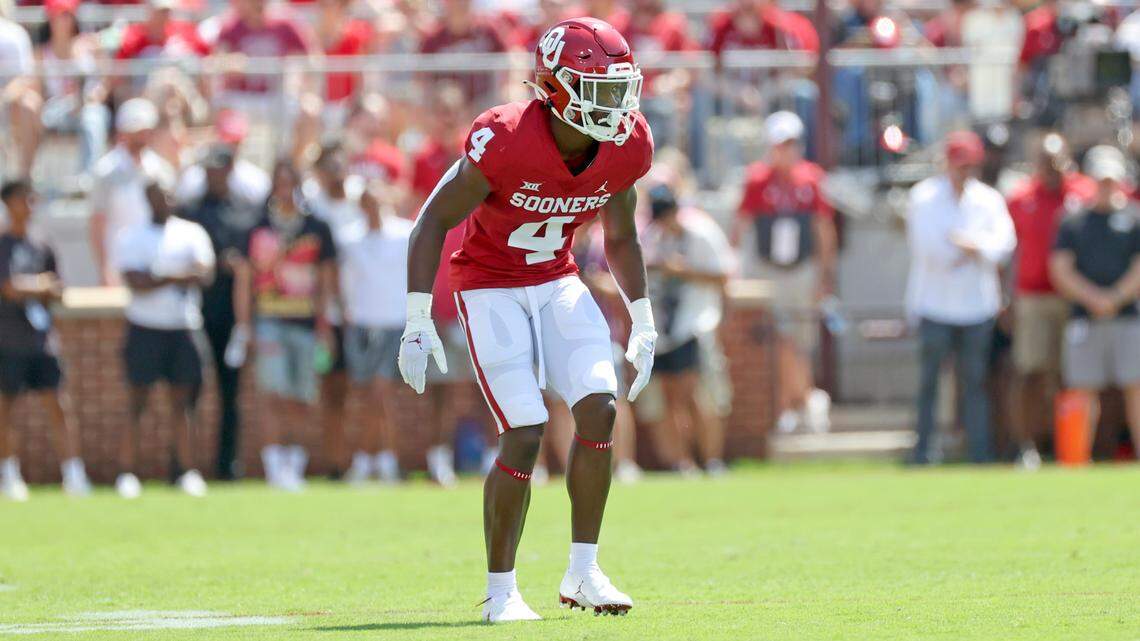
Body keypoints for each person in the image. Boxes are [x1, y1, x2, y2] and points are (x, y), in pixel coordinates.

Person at [399, 18, 657, 622]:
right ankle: (500, 590)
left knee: (600, 407)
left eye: (620, 88)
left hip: (555, 278)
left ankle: (584, 571)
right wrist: (416, 318)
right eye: (599, 88)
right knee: (525, 426)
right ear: (556, 87)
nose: (615, 103)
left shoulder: (626, 142)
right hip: (489, 284)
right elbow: (431, 222)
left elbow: (620, 236)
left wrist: (642, 317)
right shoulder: (507, 136)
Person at [906, 131, 1016, 464]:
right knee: (929, 385)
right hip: (933, 305)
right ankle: (923, 453)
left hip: (976, 307)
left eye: (970, 165)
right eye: (959, 164)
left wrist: (973, 246)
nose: (964, 171)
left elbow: (1003, 245)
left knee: (975, 385)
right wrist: (976, 248)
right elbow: (930, 249)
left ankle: (979, 454)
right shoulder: (923, 196)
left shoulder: (988, 199)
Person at [231, 160, 337, 492]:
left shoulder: (316, 227)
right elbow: (246, 279)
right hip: (269, 319)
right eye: (278, 184)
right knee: (273, 393)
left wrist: (325, 324)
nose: (284, 191)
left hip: (305, 322)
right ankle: (274, 465)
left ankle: (296, 463)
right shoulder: (257, 226)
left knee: (303, 396)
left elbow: (325, 279)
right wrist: (244, 326)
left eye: (289, 183)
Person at [732, 111, 836, 434]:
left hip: (800, 270)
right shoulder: (757, 180)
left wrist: (825, 276)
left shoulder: (812, 179)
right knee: (779, 338)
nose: (786, 151)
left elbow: (823, 230)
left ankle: (797, 401)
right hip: (768, 269)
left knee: (798, 339)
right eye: (780, 145)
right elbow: (741, 226)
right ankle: (800, 400)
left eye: (791, 144)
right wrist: (735, 269)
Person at [114, 180, 215, 499]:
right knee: (136, 402)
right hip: (144, 326)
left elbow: (204, 275)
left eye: (168, 195)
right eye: (156, 196)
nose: (164, 201)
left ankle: (185, 470)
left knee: (184, 402)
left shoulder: (191, 232)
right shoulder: (132, 236)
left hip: (183, 326)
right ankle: (127, 472)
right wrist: (175, 275)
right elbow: (135, 281)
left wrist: (159, 275)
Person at [1005, 133, 1093, 467]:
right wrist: (1008, 298)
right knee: (1030, 371)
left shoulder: (1082, 193)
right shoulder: (1020, 198)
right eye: (1045, 161)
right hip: (1033, 297)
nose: (1052, 168)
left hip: (1076, 296)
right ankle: (1025, 445)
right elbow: (1009, 251)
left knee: (1074, 376)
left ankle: (1071, 446)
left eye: (1057, 161)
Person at [0, 179, 90, 501]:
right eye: (24, 198)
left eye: (33, 198)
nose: (30, 205)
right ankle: (9, 475)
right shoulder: (3, 244)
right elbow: (8, 288)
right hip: (7, 340)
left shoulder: (42, 244)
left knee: (58, 404)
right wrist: (39, 286)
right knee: (5, 409)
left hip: (42, 341)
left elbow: (59, 288)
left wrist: (34, 287)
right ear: (8, 203)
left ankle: (73, 473)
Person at [1049, 145, 1140, 460]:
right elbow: (1061, 268)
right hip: (1085, 317)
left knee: (1136, 387)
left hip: (1127, 315)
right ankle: (1077, 458)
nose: (1106, 186)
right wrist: (1094, 298)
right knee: (1083, 389)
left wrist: (1115, 297)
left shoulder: (1133, 217)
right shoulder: (1073, 221)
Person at [180, 144, 262, 480]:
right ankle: (185, 465)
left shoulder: (247, 212)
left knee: (231, 394)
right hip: (196, 312)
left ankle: (227, 464)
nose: (213, 175)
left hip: (232, 315)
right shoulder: (189, 211)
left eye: (219, 168)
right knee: (191, 390)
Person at [642, 184, 732, 475]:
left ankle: (712, 460)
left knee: (696, 396)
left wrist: (682, 271)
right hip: (664, 328)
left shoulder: (702, 232)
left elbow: (722, 276)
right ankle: (684, 462)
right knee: (671, 399)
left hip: (694, 324)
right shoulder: (654, 237)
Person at [340, 181, 412, 483]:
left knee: (380, 393)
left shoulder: (405, 233)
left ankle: (373, 460)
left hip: (394, 322)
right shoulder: (350, 238)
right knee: (369, 395)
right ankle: (381, 459)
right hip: (361, 323)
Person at [305, 142, 362, 480]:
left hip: (364, 310)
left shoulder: (361, 199)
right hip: (328, 315)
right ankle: (334, 461)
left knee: (362, 389)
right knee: (331, 390)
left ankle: (360, 459)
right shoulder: (312, 207)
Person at [89, 98, 177, 286]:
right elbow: (97, 223)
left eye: (145, 131)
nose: (143, 136)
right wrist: (105, 269)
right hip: (119, 263)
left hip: (155, 260)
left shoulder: (161, 170)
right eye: (137, 131)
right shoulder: (105, 172)